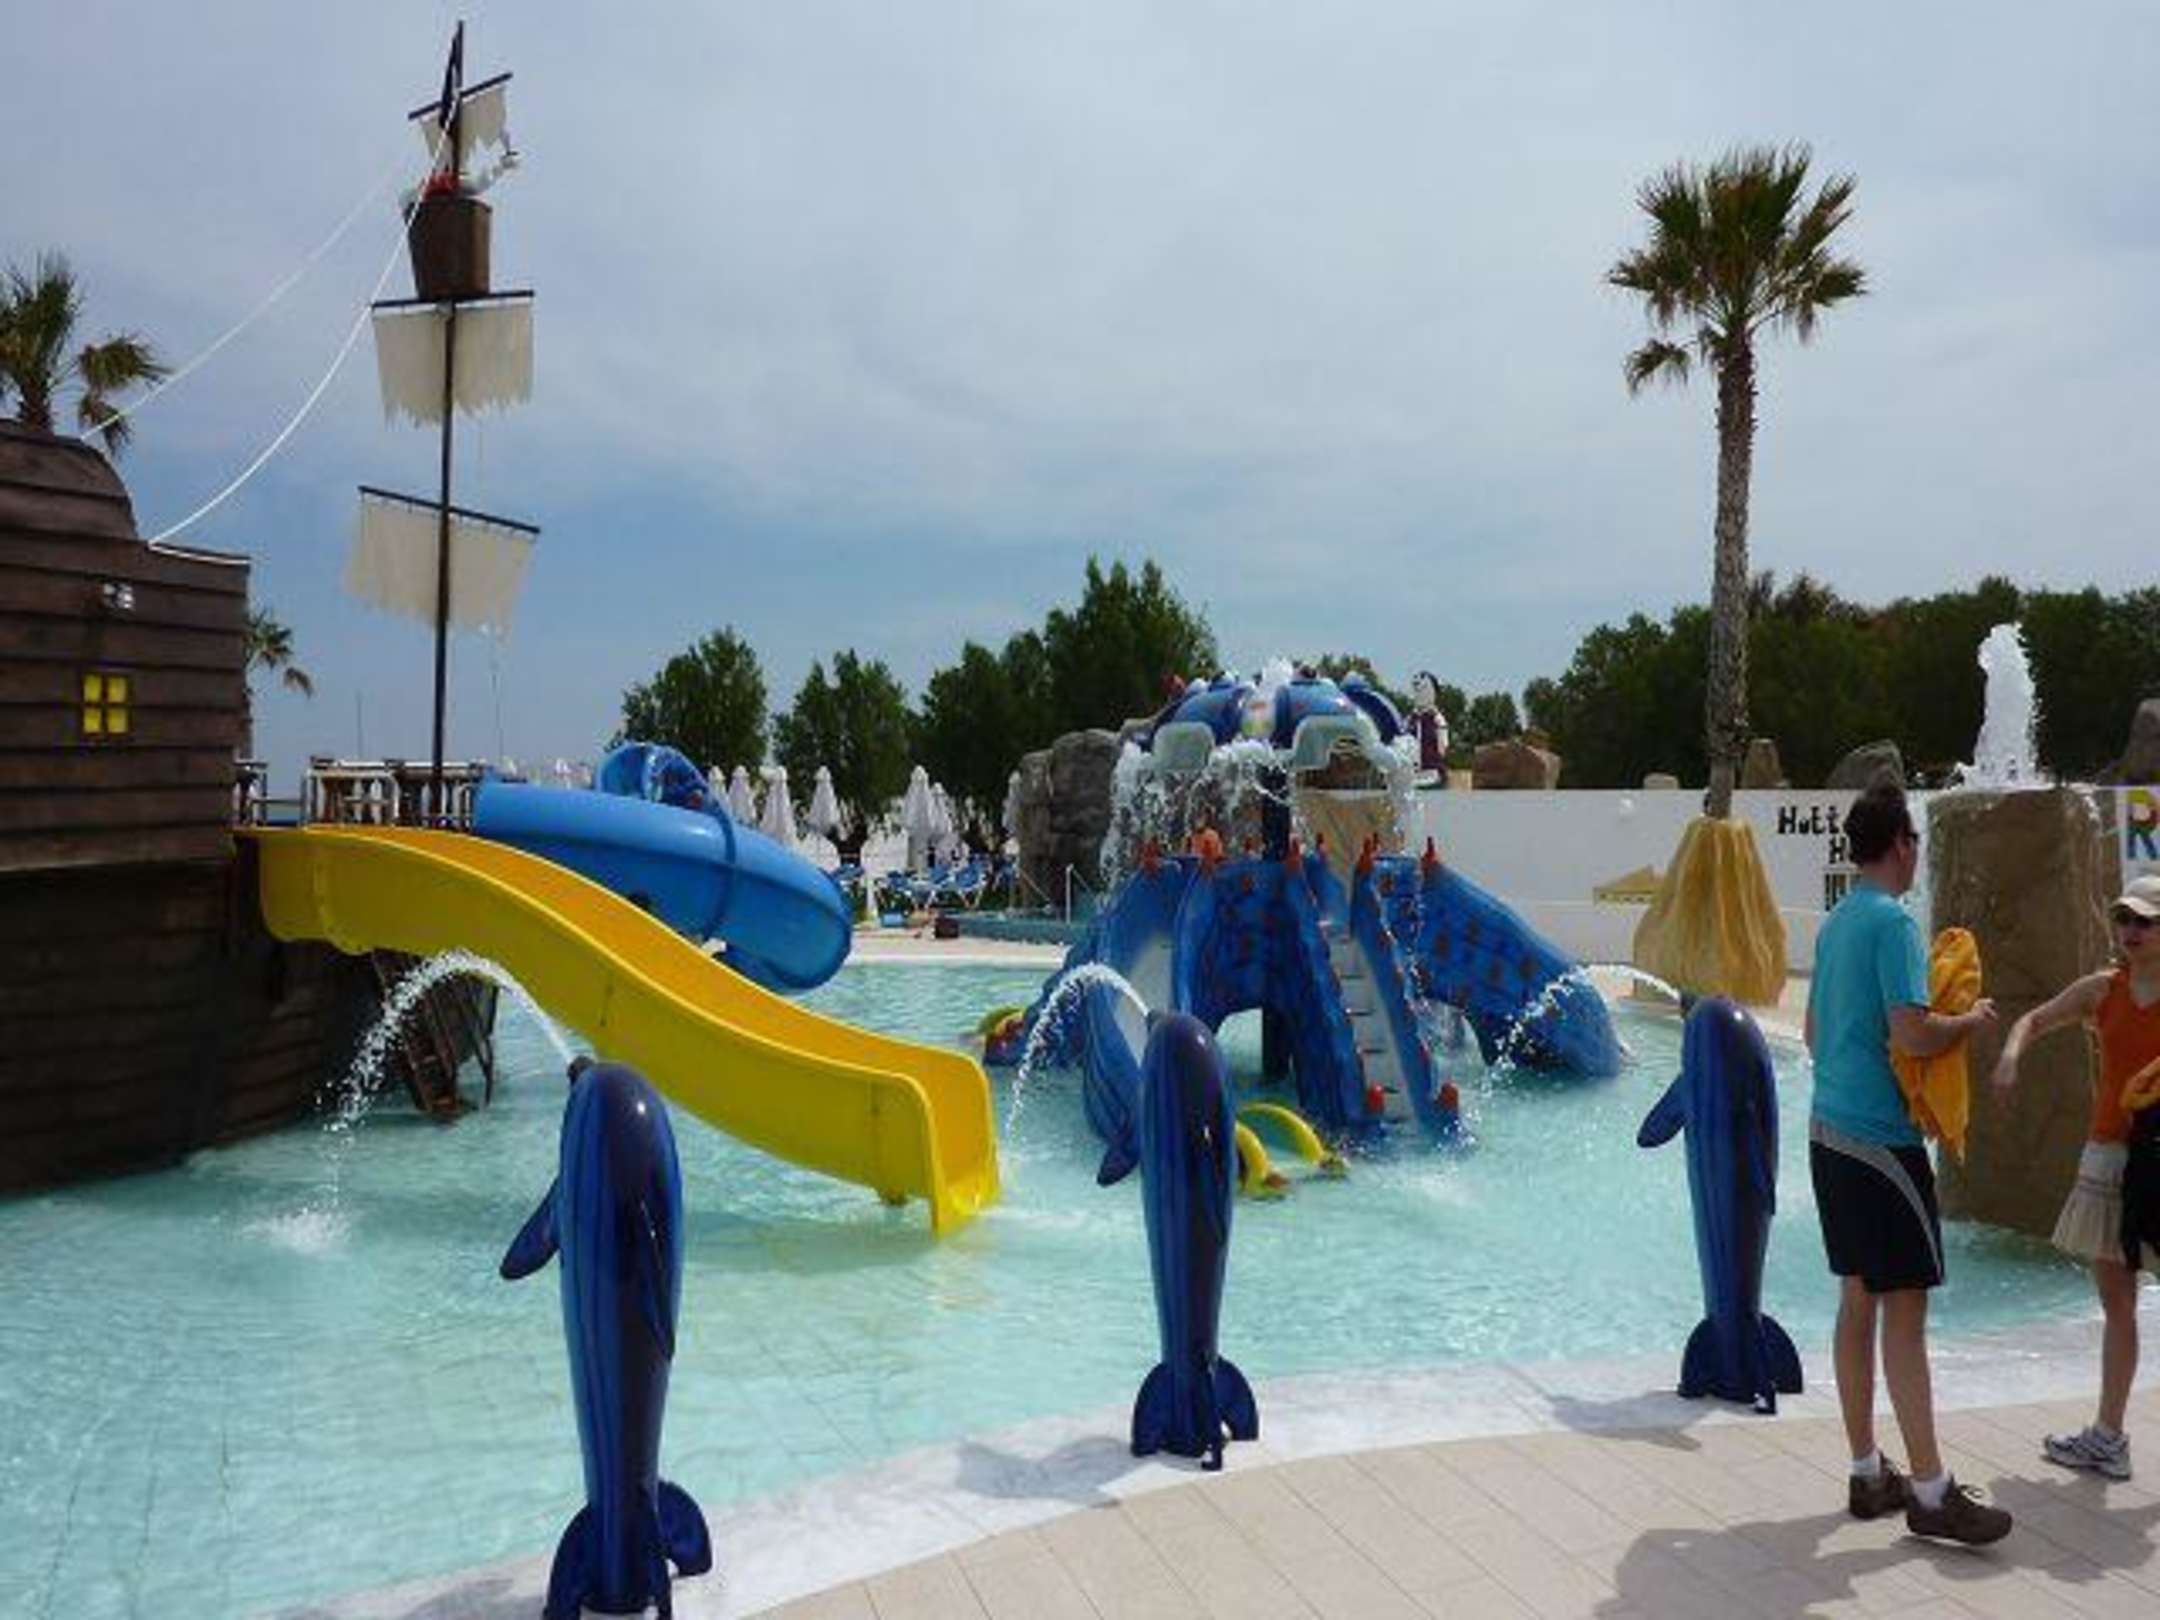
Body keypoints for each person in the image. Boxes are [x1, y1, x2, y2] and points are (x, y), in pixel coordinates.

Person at [1806, 780, 2009, 1543]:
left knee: (1856, 1299)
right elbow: (1913, 1035)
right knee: (1905, 1310)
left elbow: (1816, 1036)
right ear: (1900, 844)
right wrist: (1970, 1021)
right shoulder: (1892, 923)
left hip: (1827, 1133)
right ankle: (1930, 1492)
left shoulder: (1836, 922)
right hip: (1881, 1143)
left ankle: (1868, 1473)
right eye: (1914, 841)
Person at [1990, 872, 2160, 1480]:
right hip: (2111, 1156)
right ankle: (2109, 1436)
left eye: (2145, 921)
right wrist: (2010, 1057)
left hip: (2159, 1161)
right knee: (2118, 1302)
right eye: (2124, 919)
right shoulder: (2103, 989)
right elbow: (2032, 1021)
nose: (2131, 931)